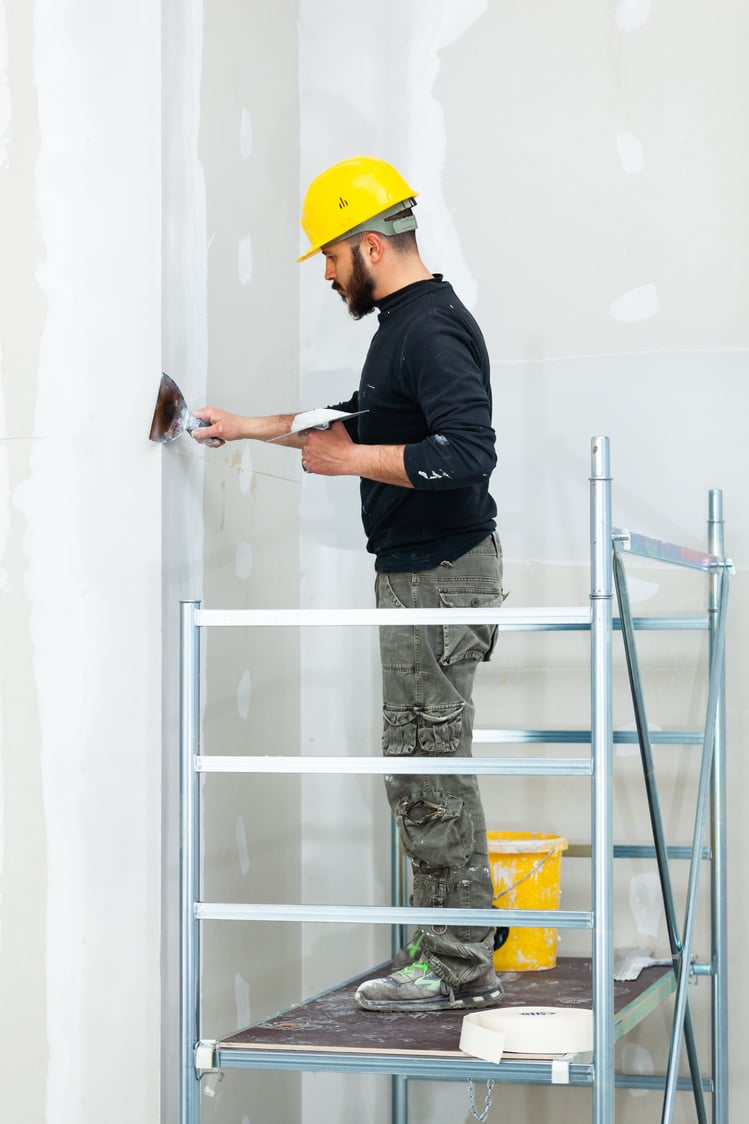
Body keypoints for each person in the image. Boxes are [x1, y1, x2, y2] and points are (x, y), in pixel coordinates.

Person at [192, 156, 506, 1013]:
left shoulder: (429, 326)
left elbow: (466, 454)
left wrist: (349, 461)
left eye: (330, 258)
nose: (326, 275)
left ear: (370, 246)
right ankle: (465, 940)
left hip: (438, 577)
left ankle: (456, 963)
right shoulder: (402, 326)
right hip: (425, 577)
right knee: (420, 764)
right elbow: (361, 423)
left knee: (423, 765)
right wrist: (249, 427)